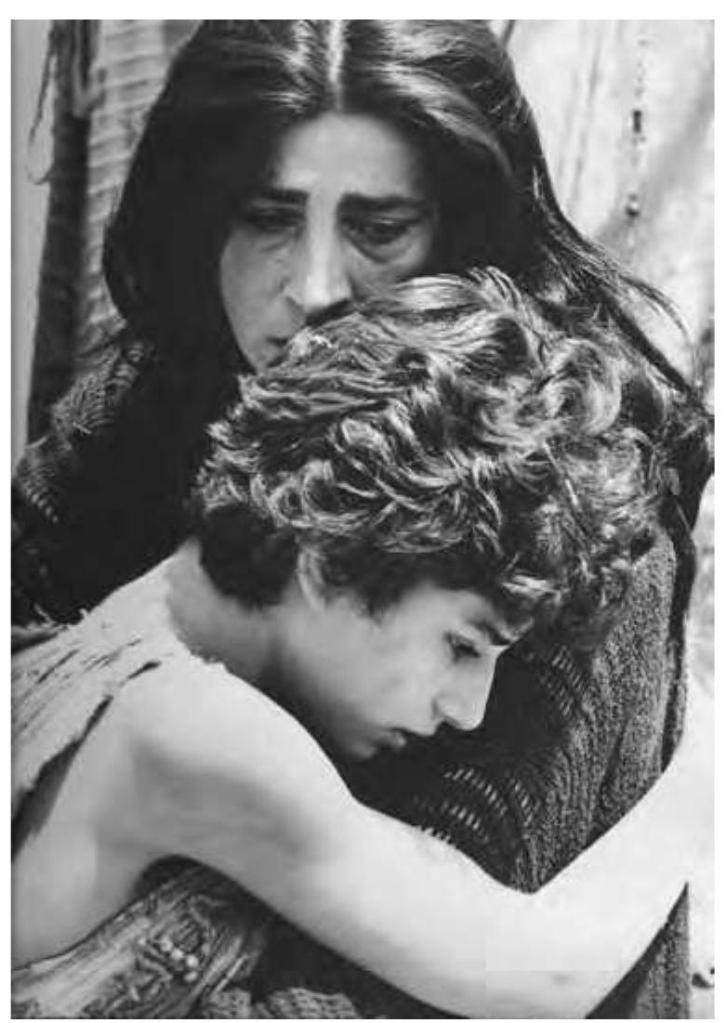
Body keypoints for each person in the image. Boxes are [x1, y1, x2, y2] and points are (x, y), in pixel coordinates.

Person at [12, 20, 712, 1018]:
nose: (314, 289)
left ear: (467, 231)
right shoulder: (145, 423)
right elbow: (532, 972)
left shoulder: (557, 493)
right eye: (266, 215)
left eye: (380, 228)